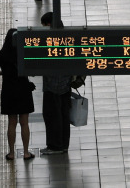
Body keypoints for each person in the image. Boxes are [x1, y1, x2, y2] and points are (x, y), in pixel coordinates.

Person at [0, 28, 36, 160]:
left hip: (9, 90)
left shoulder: (2, 53)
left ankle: (11, 153)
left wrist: (2, 73)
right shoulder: (24, 52)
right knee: (24, 123)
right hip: (23, 90)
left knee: (12, 123)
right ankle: (26, 152)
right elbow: (32, 71)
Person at [40, 12, 72, 155]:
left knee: (52, 115)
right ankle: (64, 144)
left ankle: (55, 146)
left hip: (52, 85)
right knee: (64, 115)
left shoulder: (50, 40)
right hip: (66, 84)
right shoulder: (68, 38)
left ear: (48, 24)